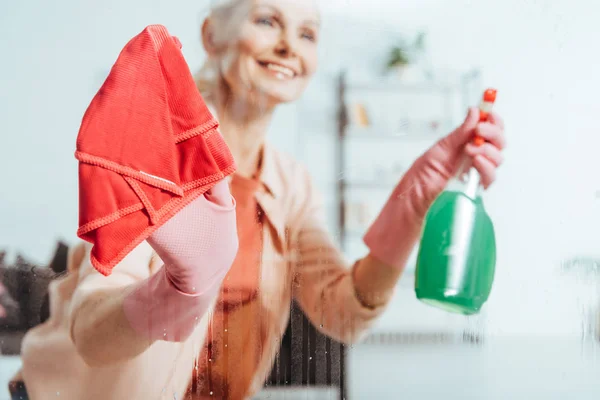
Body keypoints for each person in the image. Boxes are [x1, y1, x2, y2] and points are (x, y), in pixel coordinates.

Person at [11, 0, 506, 398]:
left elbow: (343, 311)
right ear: (212, 36)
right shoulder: (155, 151)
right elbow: (92, 334)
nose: (290, 46)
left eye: (308, 33)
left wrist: (413, 203)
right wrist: (174, 292)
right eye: (268, 20)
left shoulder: (291, 184)